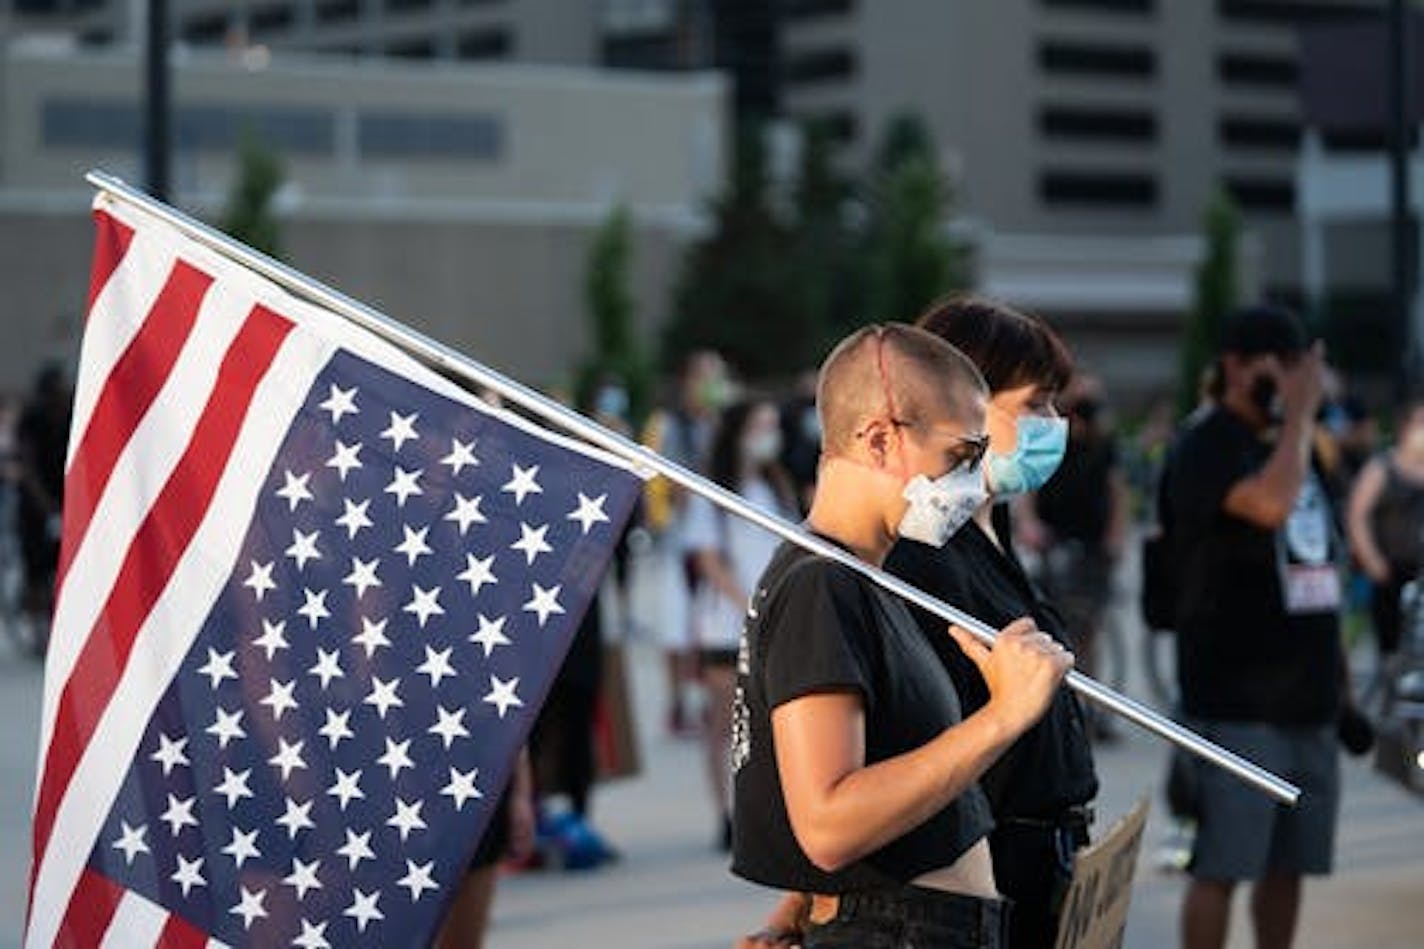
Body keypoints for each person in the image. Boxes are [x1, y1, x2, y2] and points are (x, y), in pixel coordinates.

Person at [731, 324, 1074, 948]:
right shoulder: (822, 586)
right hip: (895, 930)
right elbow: (829, 825)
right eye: (962, 456)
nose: (972, 481)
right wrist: (1003, 716)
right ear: (881, 439)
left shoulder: (865, 577)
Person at [883, 295, 1101, 948]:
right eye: (1036, 404)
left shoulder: (993, 528)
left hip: (1047, 859)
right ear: (966, 404)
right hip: (988, 871)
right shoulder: (921, 553)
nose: (1054, 423)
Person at [1164, 305, 1344, 949]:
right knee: (1222, 864)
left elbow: (1320, 562)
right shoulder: (1204, 444)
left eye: (1303, 370)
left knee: (1289, 863)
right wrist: (1298, 416)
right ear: (1238, 366)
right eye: (1285, 367)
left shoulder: (1292, 446)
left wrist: (1342, 692)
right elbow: (1268, 506)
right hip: (1237, 700)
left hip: (1308, 698)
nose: (1297, 382)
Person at [684, 397, 800, 851]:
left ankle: (766, 811)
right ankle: (725, 813)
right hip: (725, 625)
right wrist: (749, 603)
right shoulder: (714, 492)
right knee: (725, 723)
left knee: (771, 720)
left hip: (774, 619)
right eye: (760, 424)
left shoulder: (776, 485)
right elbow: (709, 560)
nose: (769, 434)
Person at [1024, 371, 1130, 735]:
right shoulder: (1054, 439)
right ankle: (1054, 711)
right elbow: (1030, 486)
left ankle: (1092, 711)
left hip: (1093, 544)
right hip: (1054, 539)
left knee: (1089, 632)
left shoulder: (1104, 444)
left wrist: (1117, 536)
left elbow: (1118, 492)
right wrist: (1030, 525)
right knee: (1050, 625)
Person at [1346, 393, 1424, 687]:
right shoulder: (1383, 467)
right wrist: (1371, 560)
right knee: (1392, 657)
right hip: (1391, 575)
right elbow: (1357, 514)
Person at [435, 750, 535, 949]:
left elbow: (512, 721)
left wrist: (521, 791)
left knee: (464, 941)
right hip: (391, 771)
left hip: (478, 772)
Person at [14, 363, 71, 656]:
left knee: (59, 565)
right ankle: (32, 617)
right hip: (35, 509)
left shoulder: (70, 412)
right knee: (37, 569)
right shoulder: (32, 420)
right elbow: (28, 466)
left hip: (63, 499)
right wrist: (47, 508)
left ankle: (57, 620)